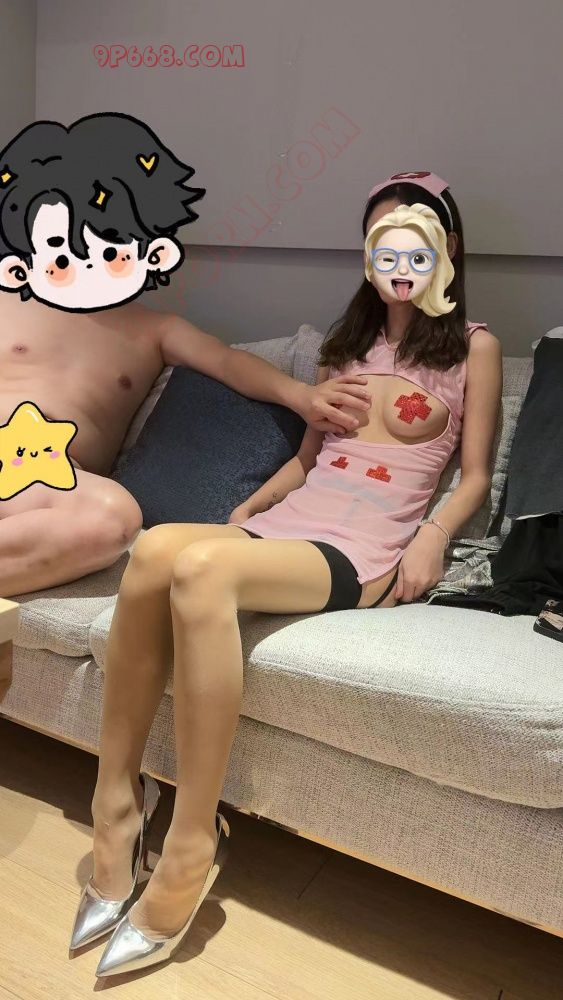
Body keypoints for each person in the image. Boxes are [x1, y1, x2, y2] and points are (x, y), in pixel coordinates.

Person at [72, 172, 502, 978]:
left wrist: (433, 535)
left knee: (200, 571)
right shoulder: (346, 347)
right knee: (159, 550)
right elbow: (308, 460)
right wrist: (245, 511)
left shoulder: (472, 347)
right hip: (295, 523)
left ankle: (192, 841)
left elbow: (473, 474)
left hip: (367, 549)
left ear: (444, 247)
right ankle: (115, 809)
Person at [0, 113, 370, 596]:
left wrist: (302, 395)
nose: (84, 260)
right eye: (63, 246)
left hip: (53, 487)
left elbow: (227, 363)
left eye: (109, 247)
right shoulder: (10, 299)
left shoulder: (154, 330)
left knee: (114, 518)